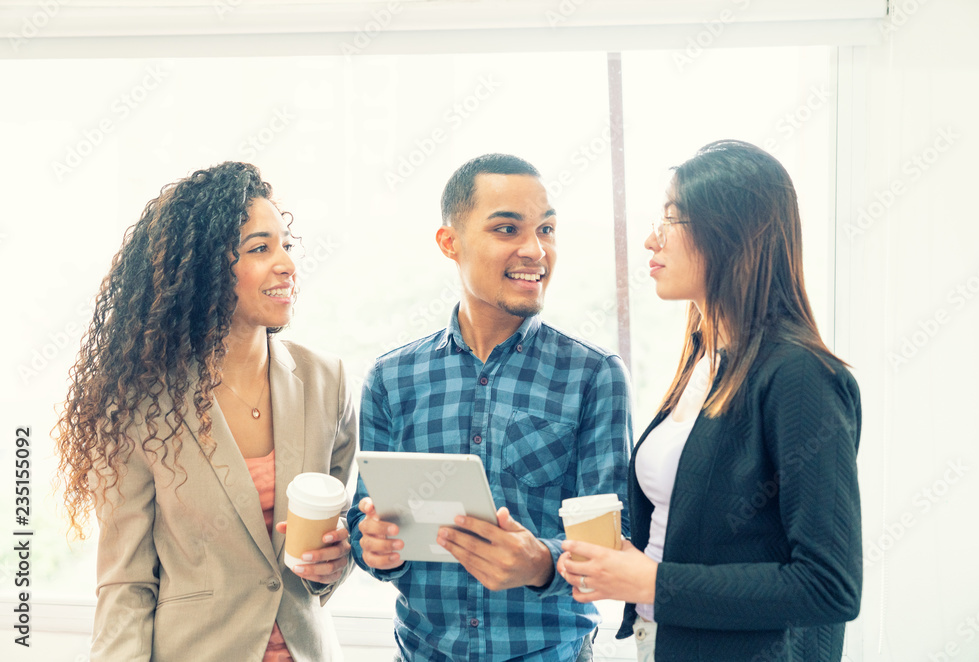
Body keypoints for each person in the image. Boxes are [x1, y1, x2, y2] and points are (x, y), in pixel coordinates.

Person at [556, 140, 862, 662]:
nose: (651, 239)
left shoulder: (799, 376)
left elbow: (828, 585)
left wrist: (654, 581)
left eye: (671, 221)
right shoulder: (705, 357)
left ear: (731, 236)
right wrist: (621, 568)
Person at [55, 162, 357, 661]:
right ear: (205, 270)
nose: (286, 264)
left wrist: (336, 562)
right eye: (260, 248)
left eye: (286, 245)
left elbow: (337, 533)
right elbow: (126, 584)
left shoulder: (328, 381)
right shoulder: (142, 404)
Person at [347, 153, 633, 661]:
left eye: (546, 229)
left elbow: (614, 544)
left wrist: (541, 563)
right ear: (449, 242)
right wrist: (374, 548)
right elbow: (366, 524)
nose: (535, 250)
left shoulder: (593, 375)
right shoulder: (392, 378)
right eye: (507, 229)